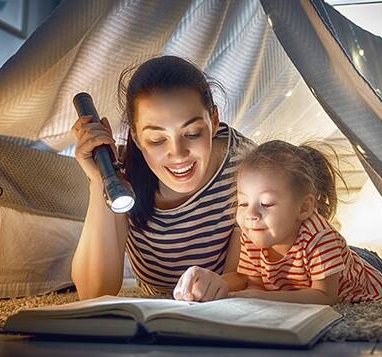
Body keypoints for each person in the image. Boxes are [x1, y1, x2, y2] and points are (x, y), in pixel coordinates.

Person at [70, 55, 254, 299]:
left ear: (214, 120)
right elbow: (94, 292)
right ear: (135, 137)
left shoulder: (245, 166)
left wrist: (219, 284)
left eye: (193, 133)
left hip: (217, 304)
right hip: (155, 310)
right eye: (157, 140)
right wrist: (98, 181)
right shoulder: (122, 174)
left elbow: (247, 278)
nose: (178, 154)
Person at [176, 140, 382, 304]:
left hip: (368, 269)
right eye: (242, 202)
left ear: (303, 207)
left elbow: (325, 297)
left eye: (267, 203)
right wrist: (216, 288)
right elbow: (253, 282)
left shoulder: (321, 239)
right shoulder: (252, 233)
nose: (251, 214)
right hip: (332, 261)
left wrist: (261, 298)